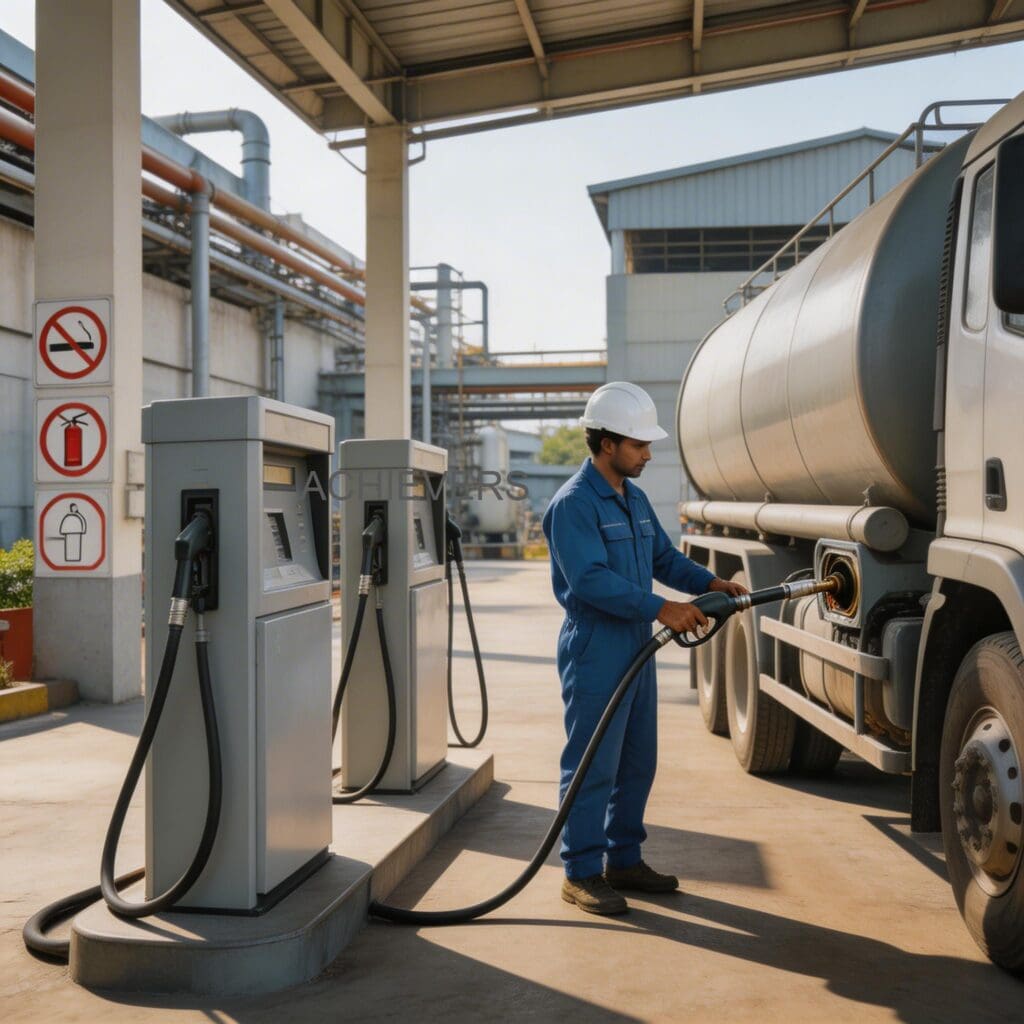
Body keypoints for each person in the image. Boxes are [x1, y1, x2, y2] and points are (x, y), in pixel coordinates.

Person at [542, 381, 747, 916]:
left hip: (635, 639)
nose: (648, 455)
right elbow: (588, 579)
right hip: (597, 644)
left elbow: (663, 557)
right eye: (638, 445)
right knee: (593, 764)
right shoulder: (574, 505)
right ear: (606, 444)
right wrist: (661, 608)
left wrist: (709, 582)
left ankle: (623, 859)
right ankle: (581, 871)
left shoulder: (631, 499)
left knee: (637, 761)